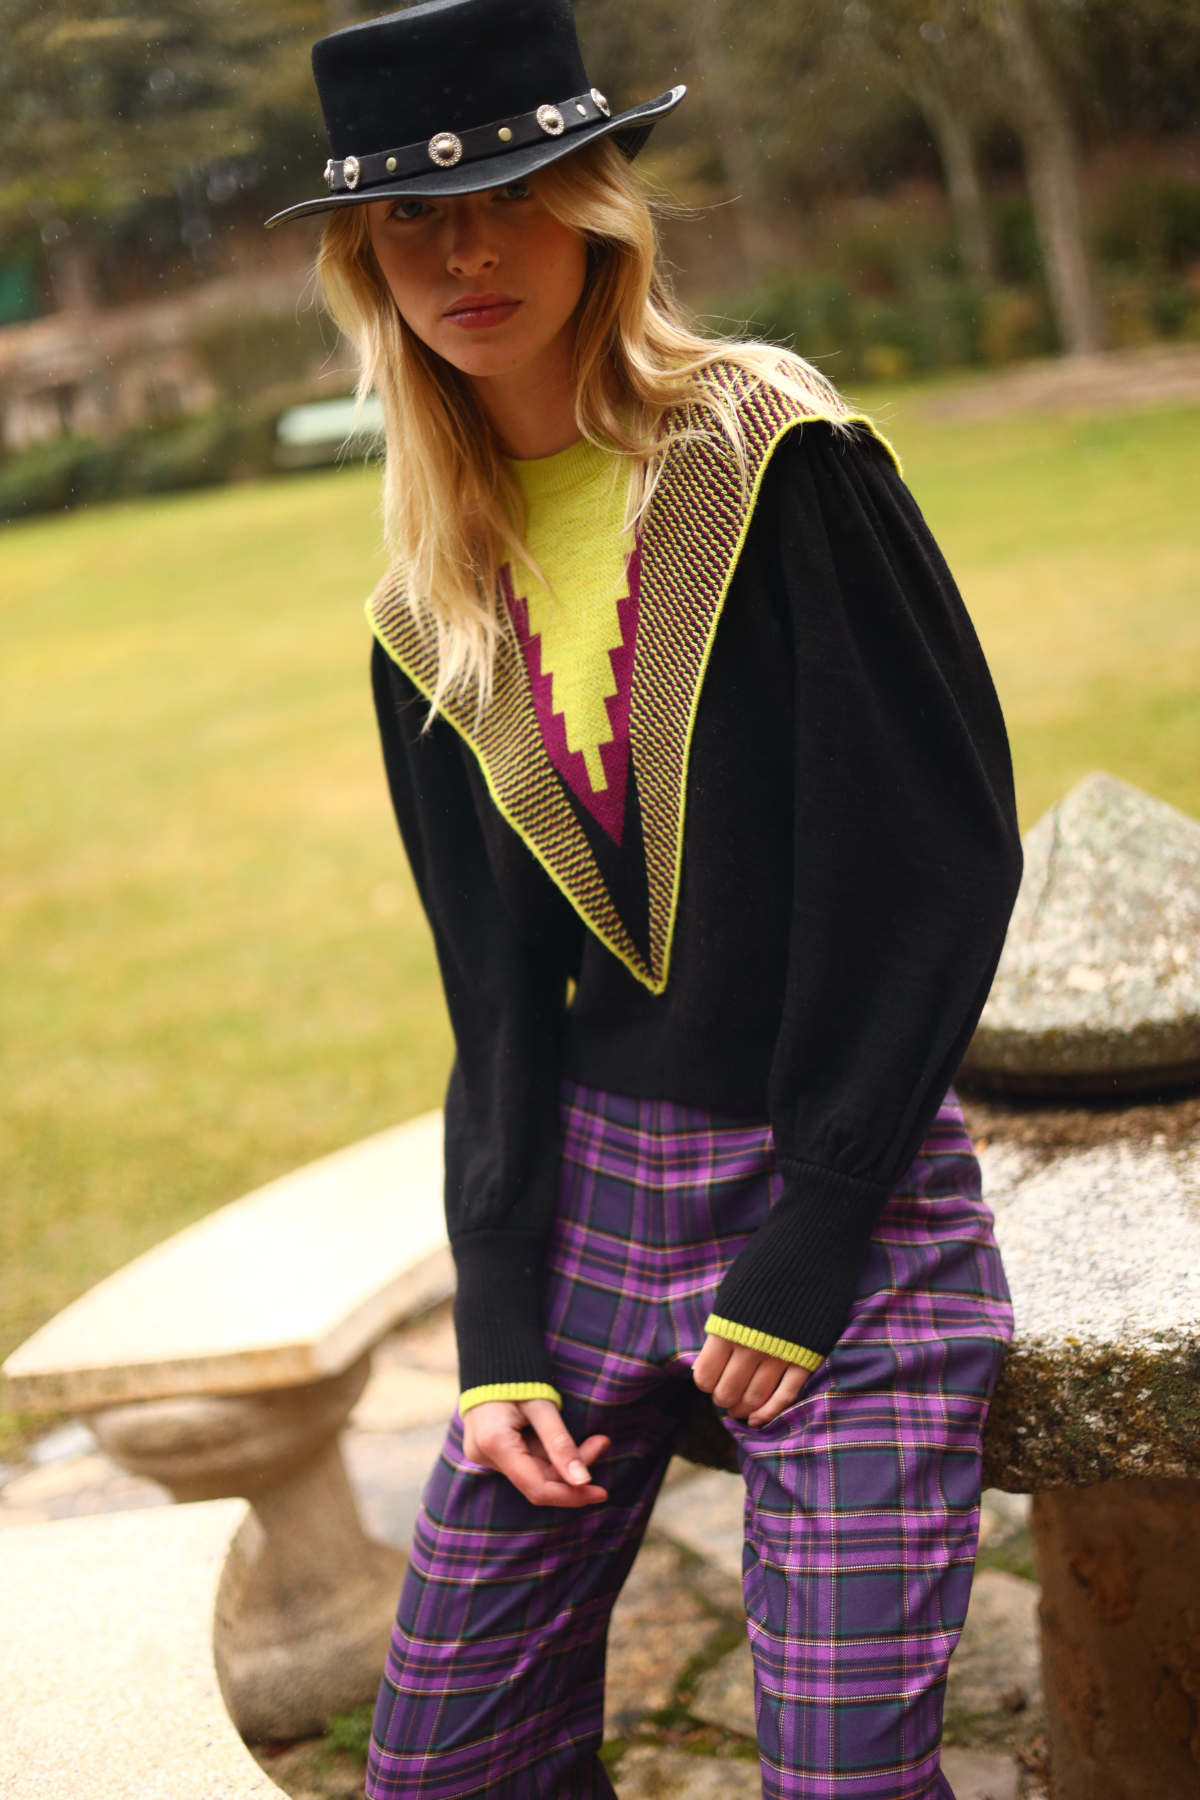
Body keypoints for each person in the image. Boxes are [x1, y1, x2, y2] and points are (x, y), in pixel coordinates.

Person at [269, 1, 1022, 1793]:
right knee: (443, 1764)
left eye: (514, 193)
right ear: (365, 262)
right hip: (589, 1210)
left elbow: (937, 852)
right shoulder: (425, 607)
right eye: (411, 217)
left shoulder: (777, 454)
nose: (467, 253)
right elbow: (494, 999)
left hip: (849, 1204)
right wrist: (496, 1320)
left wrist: (819, 1225)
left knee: (840, 1773)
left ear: (598, 202)